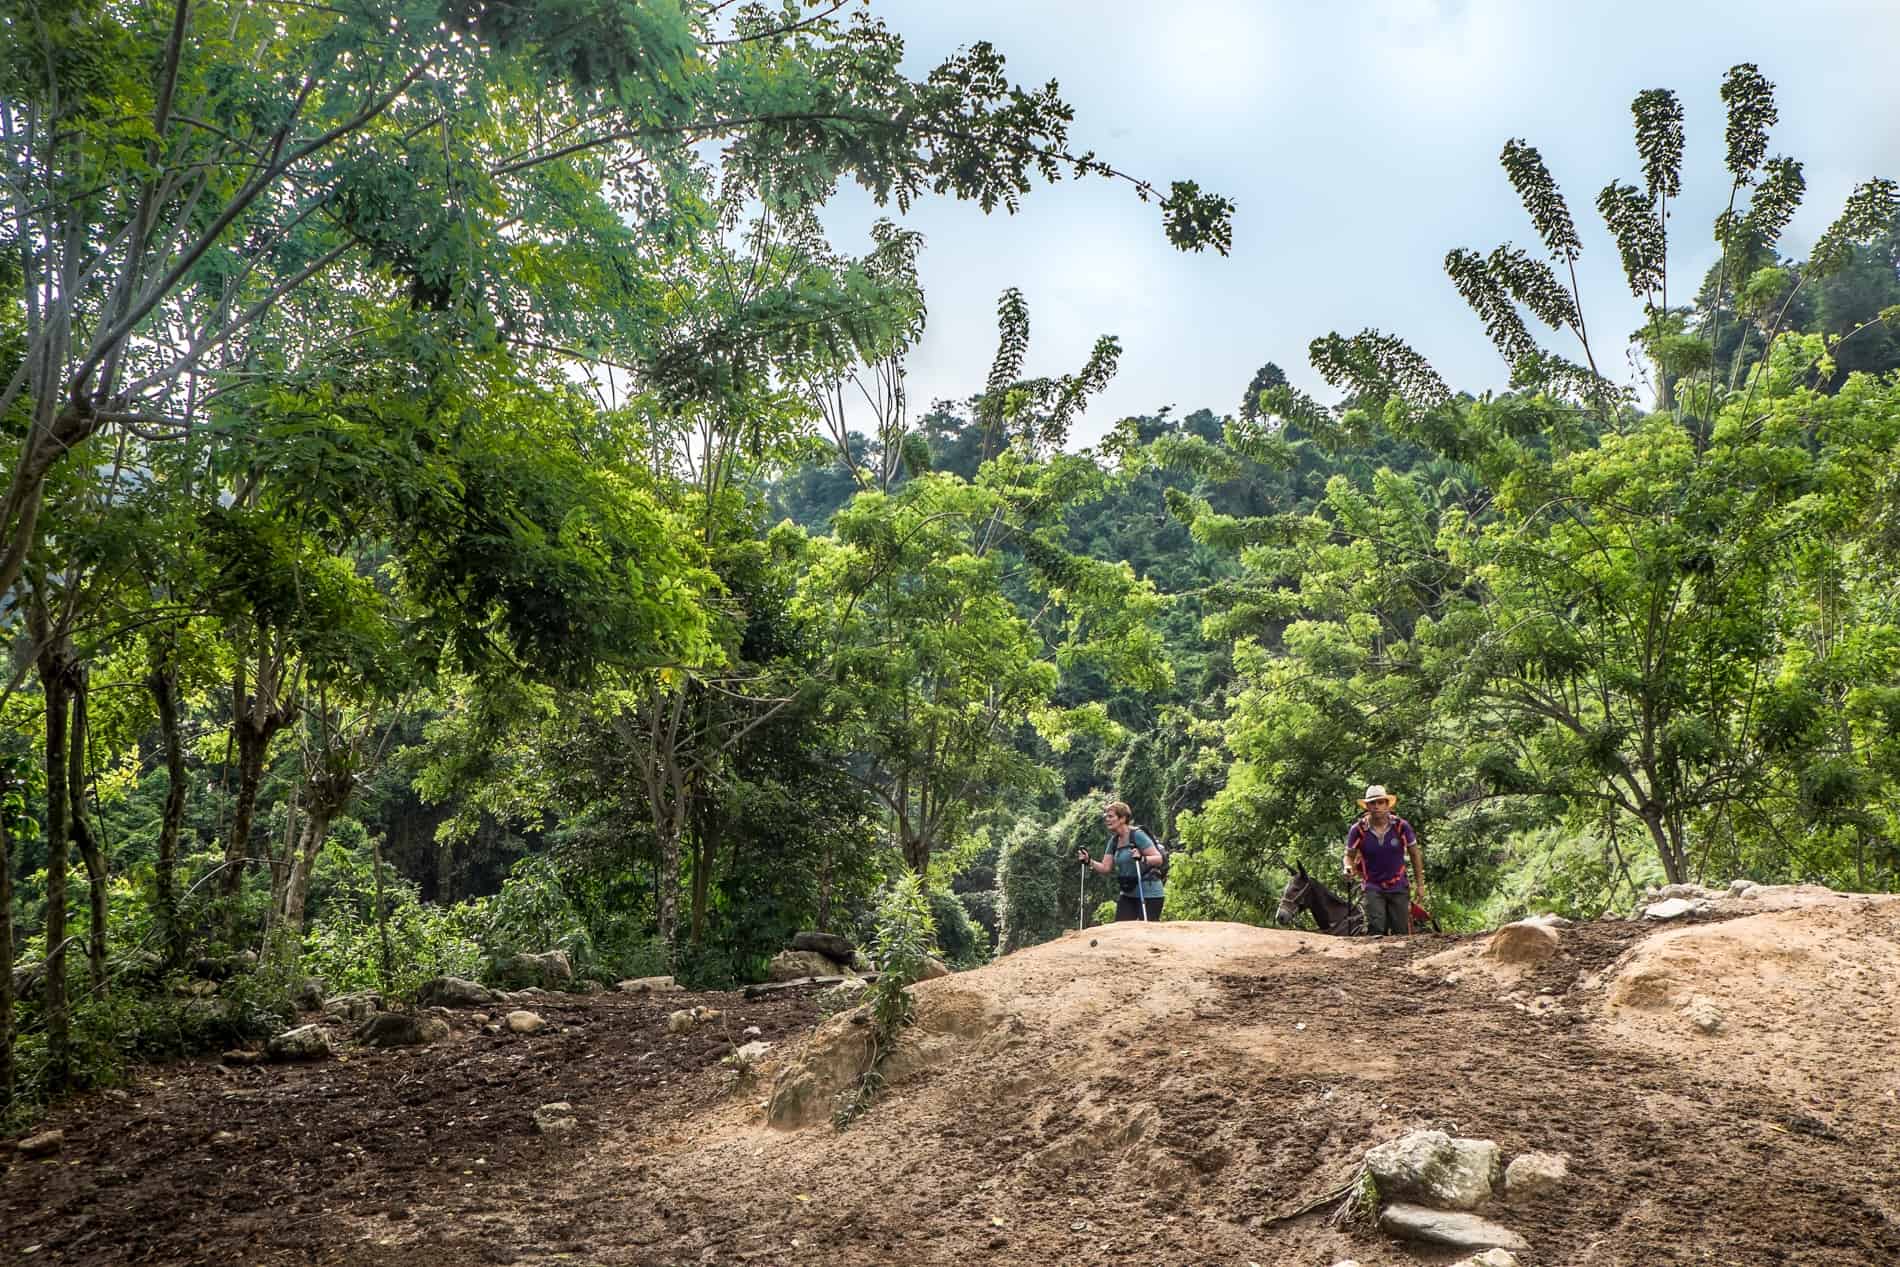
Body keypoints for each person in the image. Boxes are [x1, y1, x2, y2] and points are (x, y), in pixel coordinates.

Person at [1342, 784, 1425, 935]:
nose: (1377, 807)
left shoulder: (1401, 826)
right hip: (1372, 886)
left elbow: (1414, 854)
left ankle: (1402, 959)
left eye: (1380, 802)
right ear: (1367, 806)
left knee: (1401, 931)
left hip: (1398, 884)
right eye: (1372, 803)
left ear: (1387, 805)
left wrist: (1420, 884)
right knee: (1376, 929)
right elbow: (1349, 855)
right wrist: (1347, 867)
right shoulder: (1359, 830)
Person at [1076, 800, 1164, 921]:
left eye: (1111, 816)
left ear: (1122, 818)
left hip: (1149, 893)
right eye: (1106, 816)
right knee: (1121, 929)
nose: (1107, 819)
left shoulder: (1137, 835)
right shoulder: (1114, 841)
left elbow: (1158, 859)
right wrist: (1088, 860)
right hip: (1128, 893)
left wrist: (1142, 858)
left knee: (1146, 934)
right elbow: (1105, 868)